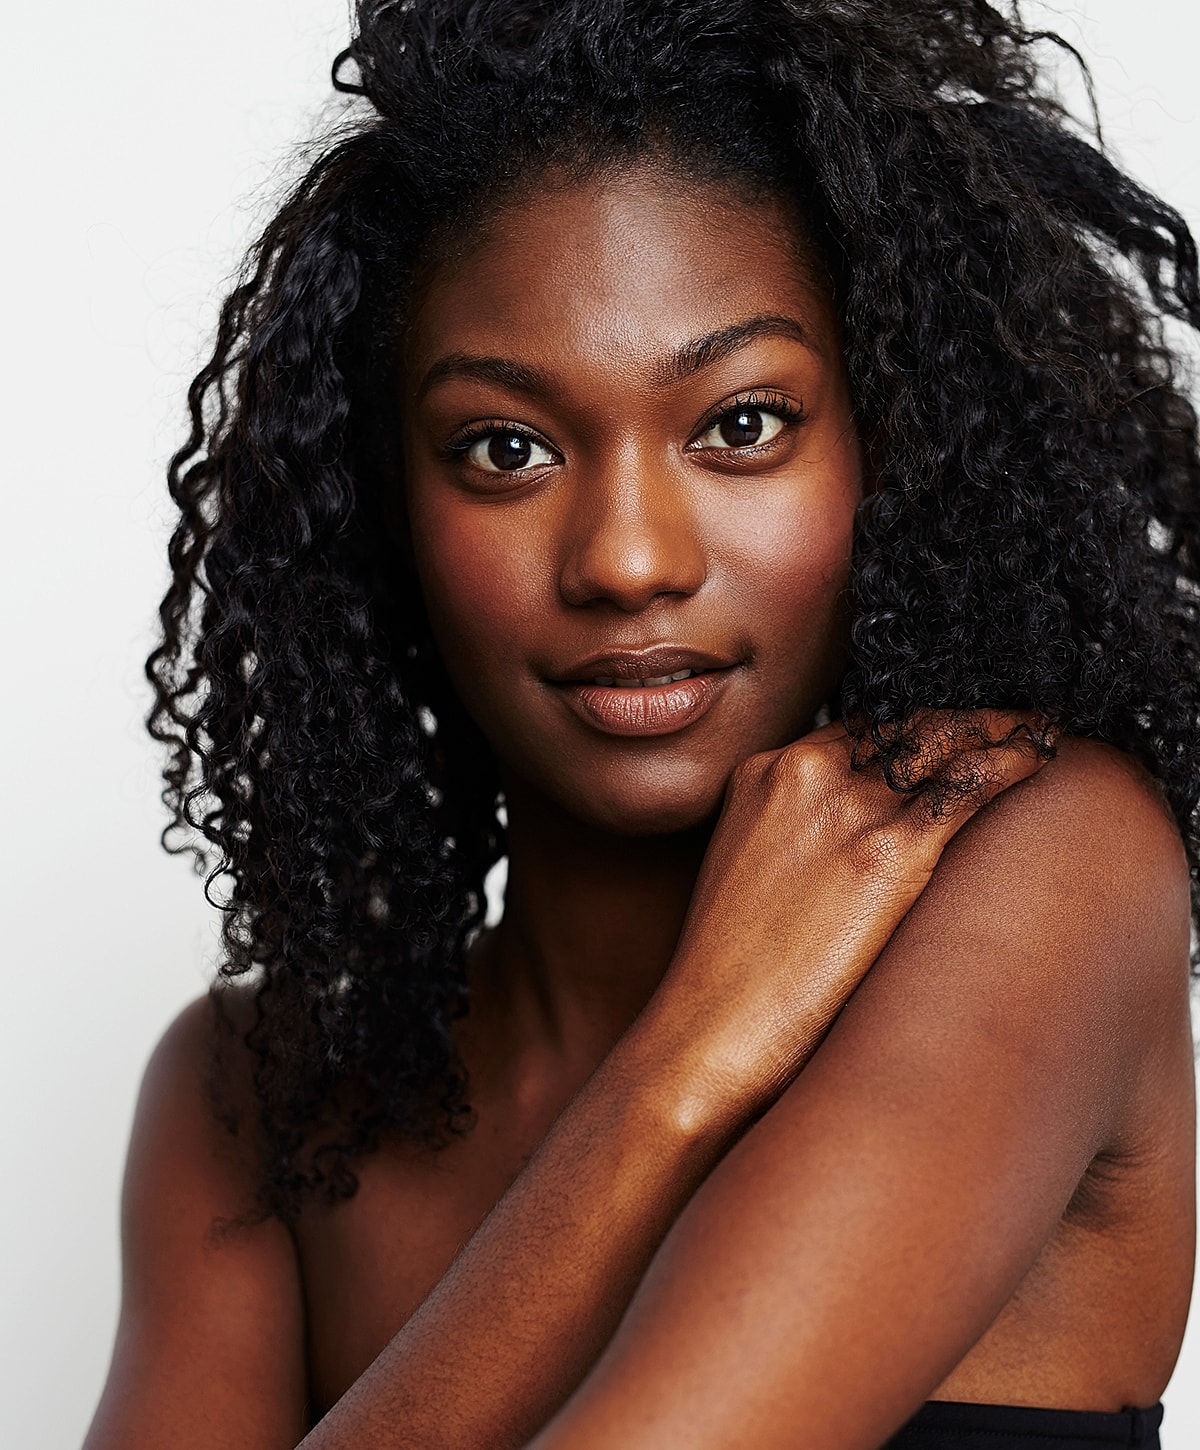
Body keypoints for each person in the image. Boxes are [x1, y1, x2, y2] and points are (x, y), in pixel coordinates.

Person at [83, 2, 1200, 1447]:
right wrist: (681, 1066)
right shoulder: (255, 1098)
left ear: (893, 442)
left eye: (742, 424)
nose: (625, 558)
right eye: (508, 447)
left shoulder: (1041, 872)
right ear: (380, 505)